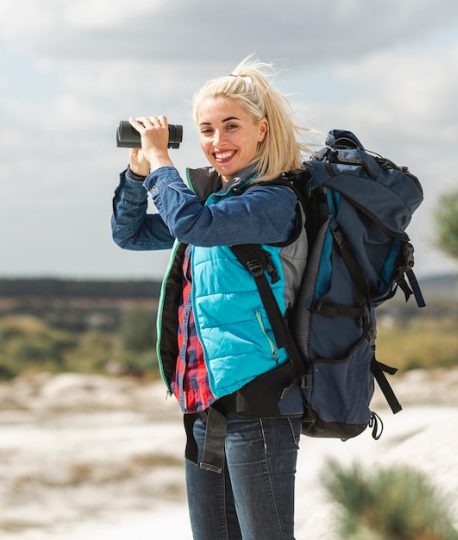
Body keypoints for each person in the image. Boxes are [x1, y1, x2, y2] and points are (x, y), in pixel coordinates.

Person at [111, 58, 308, 540]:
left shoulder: (271, 202)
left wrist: (162, 162)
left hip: (260, 404)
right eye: (206, 129)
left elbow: (190, 226)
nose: (218, 141)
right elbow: (129, 233)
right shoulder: (214, 204)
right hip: (203, 403)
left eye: (231, 126)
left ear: (261, 131)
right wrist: (138, 174)